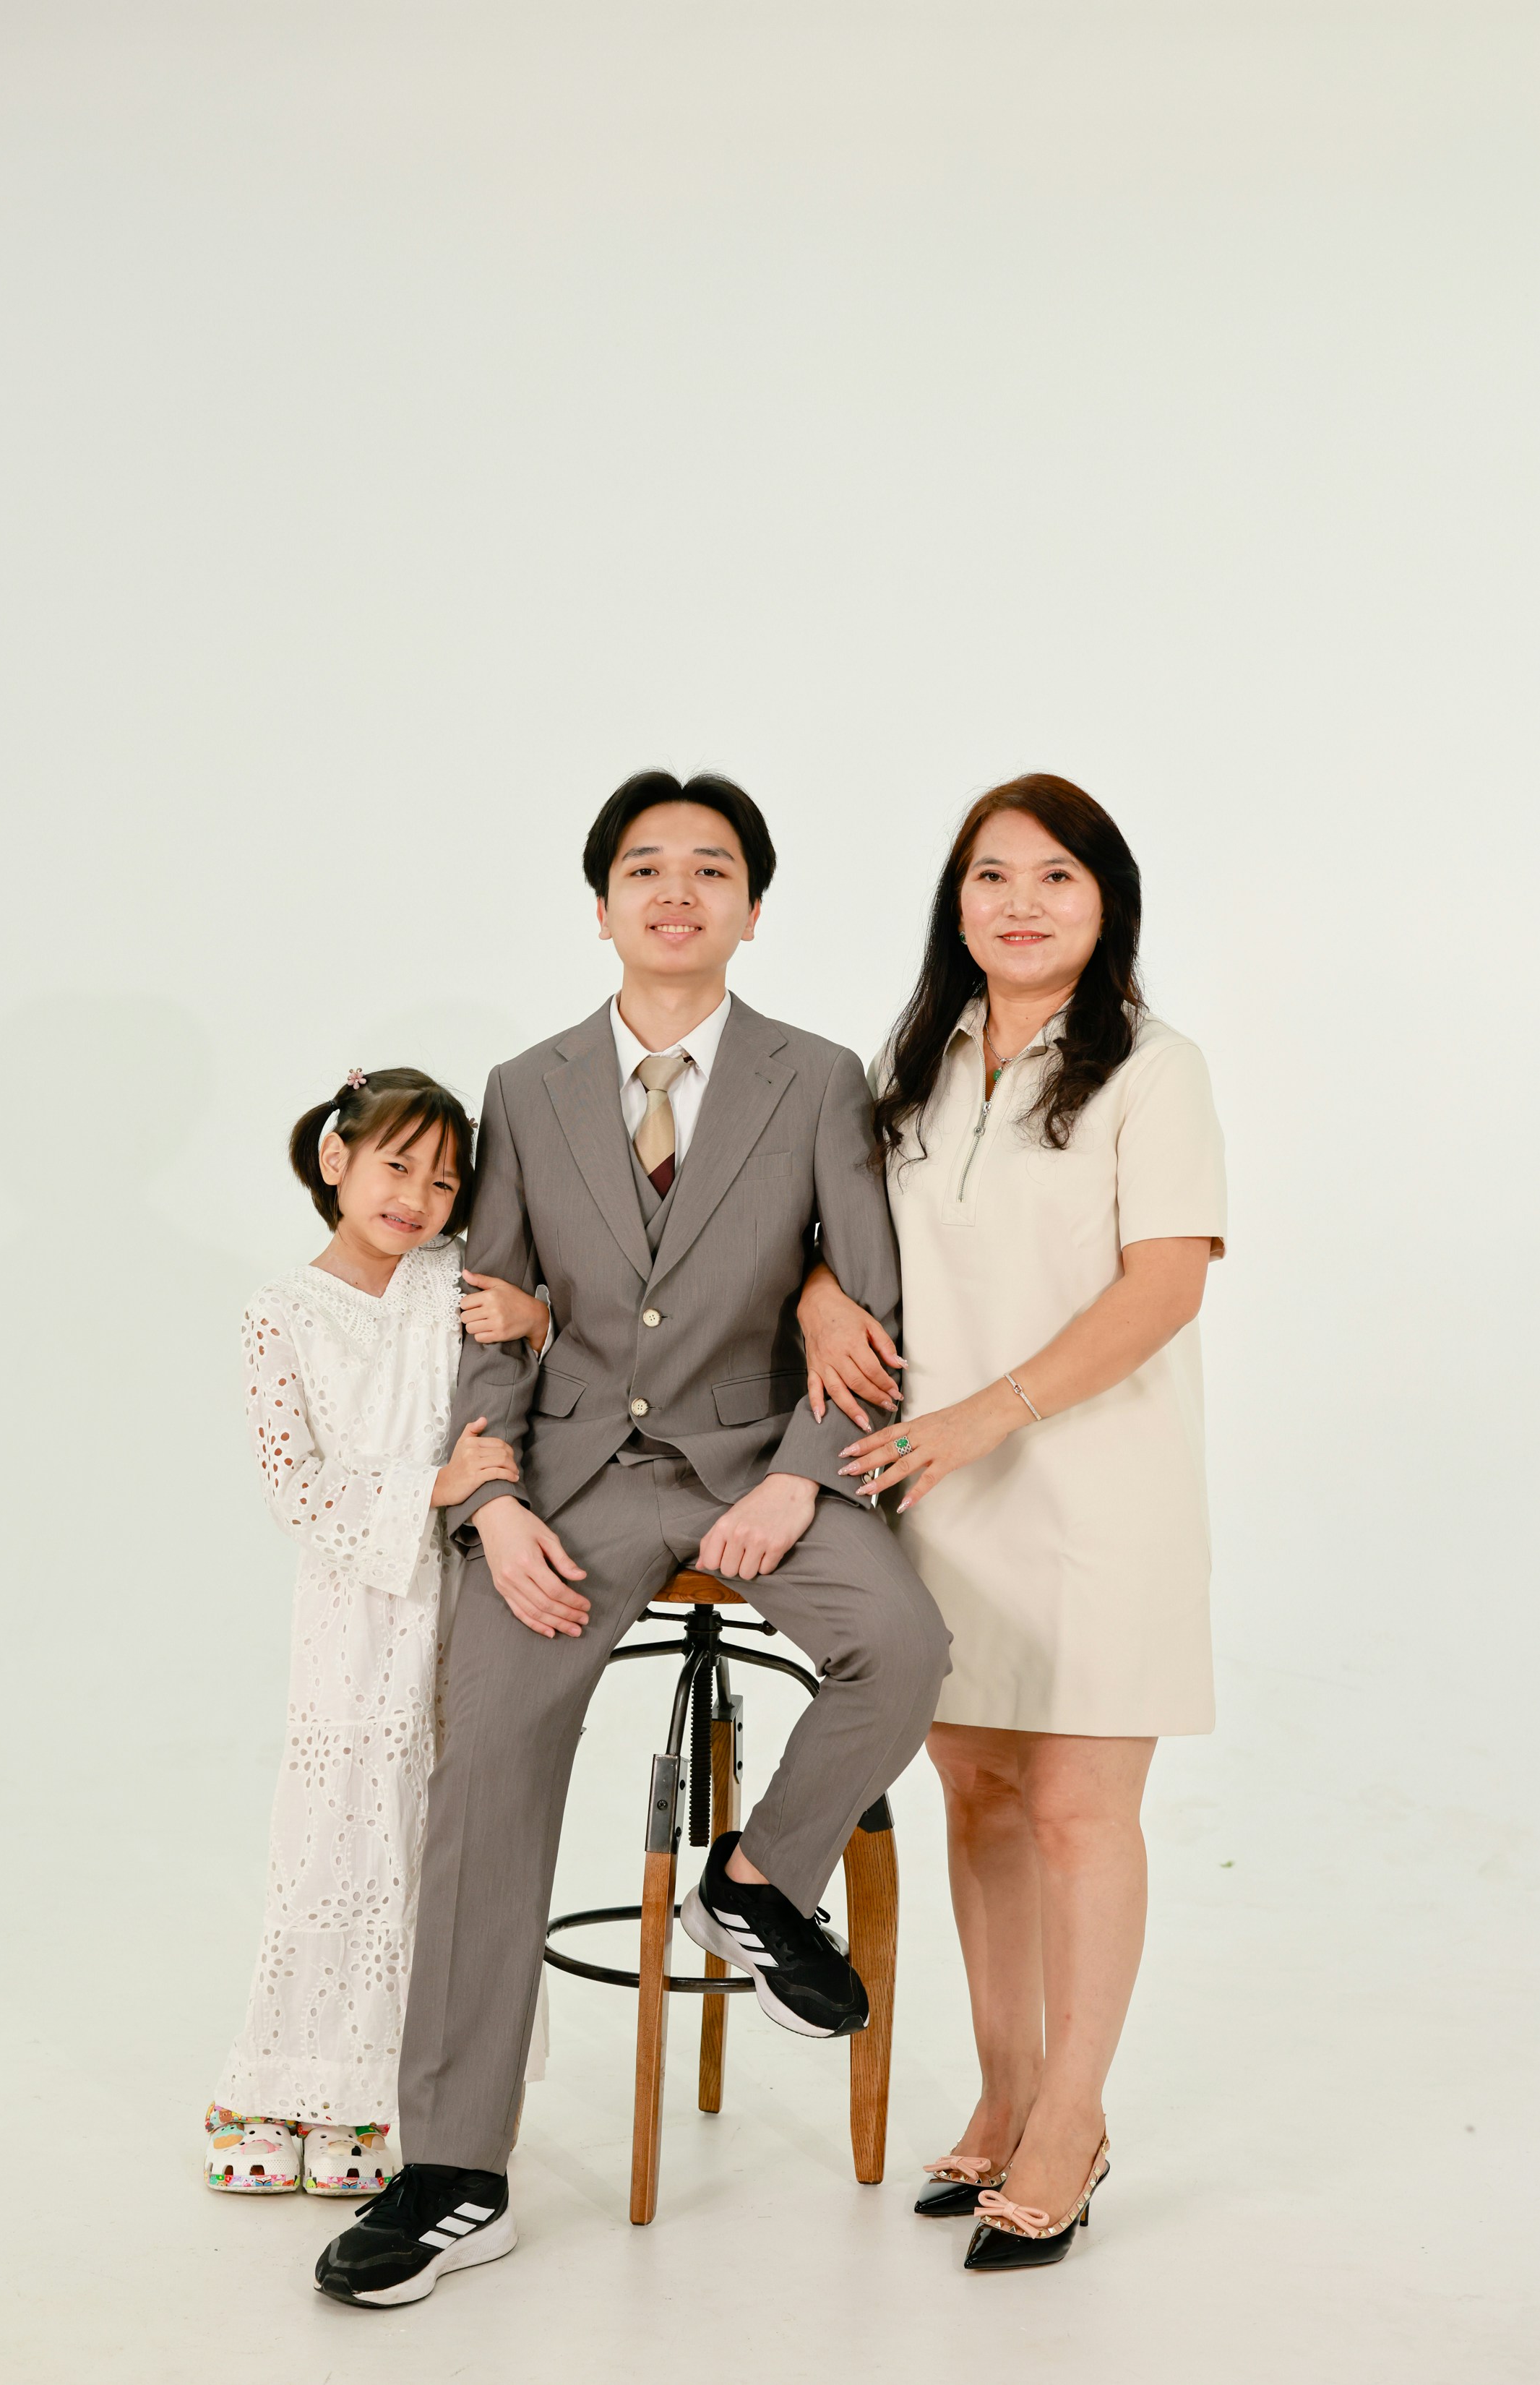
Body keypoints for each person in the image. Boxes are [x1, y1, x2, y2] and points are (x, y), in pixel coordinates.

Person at [313, 771, 951, 2307]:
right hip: (572, 1481)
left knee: (905, 1643)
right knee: (488, 1758)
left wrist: (803, 1477)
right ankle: (454, 2171)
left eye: (711, 869)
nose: (677, 891)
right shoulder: (525, 1086)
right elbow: (496, 1314)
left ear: (753, 909)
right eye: (646, 868)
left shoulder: (819, 1080)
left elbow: (868, 1298)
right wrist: (491, 1501)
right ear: (600, 905)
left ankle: (759, 1882)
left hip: (759, 1464)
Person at [800, 774, 1226, 2272]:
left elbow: (1165, 1285)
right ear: (956, 902)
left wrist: (990, 1413)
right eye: (992, 875)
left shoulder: (1153, 1069)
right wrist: (819, 1296)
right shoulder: (907, 1066)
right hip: (936, 1493)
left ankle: (1072, 2120)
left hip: (1098, 1490)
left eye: (1057, 876)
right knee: (975, 1797)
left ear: (1107, 903)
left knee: (1074, 1812)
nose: (1021, 903)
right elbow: (832, 1230)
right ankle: (1002, 2091)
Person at [208, 1069, 549, 2198]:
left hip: (466, 1597)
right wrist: (429, 1485)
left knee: (437, 1842)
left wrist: (538, 1320)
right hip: (352, 1611)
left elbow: (553, 1370)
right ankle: (280, 2084)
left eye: (444, 1180)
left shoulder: (455, 1281)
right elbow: (294, 1487)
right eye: (397, 1165)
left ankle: (387, 2098)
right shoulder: (281, 1311)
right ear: (335, 1159)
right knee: (333, 1845)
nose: (418, 1197)